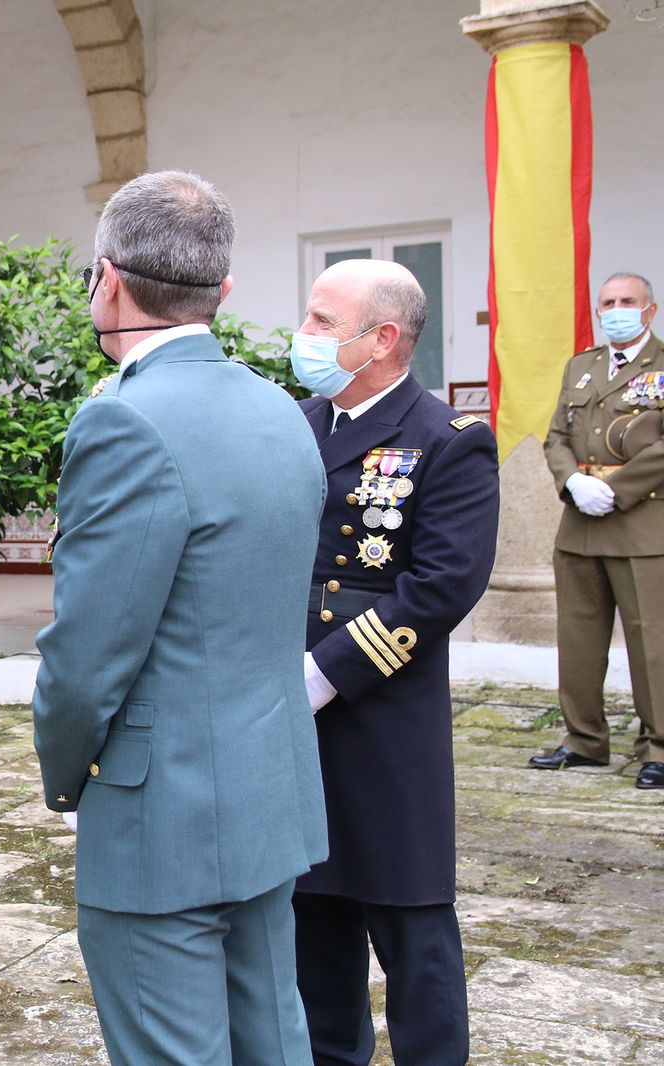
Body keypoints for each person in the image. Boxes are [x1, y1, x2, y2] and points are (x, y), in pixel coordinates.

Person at [32, 169, 328, 1065]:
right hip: (268, 789)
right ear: (223, 289)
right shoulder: (282, 409)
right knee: (272, 1039)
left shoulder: (123, 421)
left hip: (161, 810)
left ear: (107, 280)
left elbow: (86, 657)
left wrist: (65, 772)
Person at [290, 258, 499, 1065]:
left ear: (380, 339)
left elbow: (442, 587)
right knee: (313, 921)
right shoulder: (296, 424)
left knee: (412, 930)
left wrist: (323, 672)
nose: (302, 336)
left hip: (381, 719)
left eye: (319, 322)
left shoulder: (448, 440)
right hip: (290, 713)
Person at [532, 272, 664, 787]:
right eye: (607, 302)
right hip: (582, 523)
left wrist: (621, 487)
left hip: (641, 524)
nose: (616, 310)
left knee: (651, 642)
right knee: (579, 639)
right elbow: (557, 435)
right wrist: (572, 483)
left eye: (627, 301)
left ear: (649, 310)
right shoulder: (582, 365)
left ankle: (658, 746)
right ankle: (583, 740)